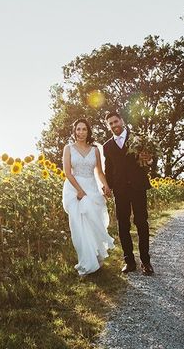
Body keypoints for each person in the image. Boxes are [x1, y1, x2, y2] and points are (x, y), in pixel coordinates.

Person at [102, 111, 154, 275]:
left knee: (141, 223)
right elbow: (108, 170)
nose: (114, 125)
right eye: (110, 123)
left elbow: (150, 161)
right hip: (120, 190)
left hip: (138, 187)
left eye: (115, 122)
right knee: (123, 225)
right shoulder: (107, 147)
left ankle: (146, 262)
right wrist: (108, 187)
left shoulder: (138, 139)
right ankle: (129, 262)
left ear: (122, 121)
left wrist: (150, 159)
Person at [62, 118, 115, 276]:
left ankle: (96, 256)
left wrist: (106, 186)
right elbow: (67, 172)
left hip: (91, 188)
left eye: (84, 129)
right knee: (79, 226)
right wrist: (79, 190)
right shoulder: (68, 148)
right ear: (74, 131)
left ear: (88, 131)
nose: (81, 132)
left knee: (94, 222)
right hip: (74, 189)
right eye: (78, 129)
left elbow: (99, 171)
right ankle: (86, 262)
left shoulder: (95, 150)